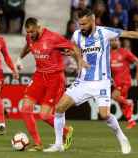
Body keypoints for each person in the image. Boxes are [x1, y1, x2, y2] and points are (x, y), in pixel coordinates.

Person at [43, 8, 138, 154]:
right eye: (79, 24)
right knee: (59, 108)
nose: (81, 28)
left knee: (104, 115)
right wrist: (75, 55)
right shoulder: (76, 34)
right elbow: (73, 47)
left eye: (84, 24)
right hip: (82, 81)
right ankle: (58, 144)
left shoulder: (104, 32)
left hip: (101, 81)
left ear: (92, 20)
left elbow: (129, 33)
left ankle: (122, 137)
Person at [16, 17, 86, 151]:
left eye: (32, 32)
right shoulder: (30, 38)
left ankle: (66, 131)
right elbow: (28, 46)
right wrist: (19, 59)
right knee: (25, 109)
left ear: (38, 27)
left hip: (55, 78)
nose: (29, 35)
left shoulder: (53, 38)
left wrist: (79, 64)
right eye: (27, 32)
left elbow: (73, 47)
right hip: (39, 76)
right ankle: (38, 143)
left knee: (44, 115)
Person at [110, 38, 138, 129]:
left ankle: (129, 103)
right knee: (121, 104)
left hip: (124, 81)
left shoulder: (124, 52)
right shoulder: (108, 54)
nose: (114, 42)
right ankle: (131, 121)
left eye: (116, 40)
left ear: (119, 42)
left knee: (115, 96)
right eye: (112, 40)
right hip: (116, 82)